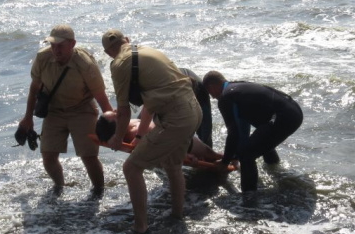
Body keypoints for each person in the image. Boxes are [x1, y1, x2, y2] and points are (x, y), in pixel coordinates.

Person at [102, 29, 202, 234]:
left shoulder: (119, 64)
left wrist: (117, 138)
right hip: (194, 109)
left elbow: (123, 111)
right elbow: (150, 105)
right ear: (127, 40)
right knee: (172, 165)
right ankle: (177, 216)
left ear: (108, 53)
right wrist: (138, 136)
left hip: (176, 118)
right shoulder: (148, 51)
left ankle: (140, 228)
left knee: (131, 168)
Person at [18, 25, 113, 195]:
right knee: (48, 155)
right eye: (53, 45)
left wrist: (113, 123)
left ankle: (99, 191)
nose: (56, 50)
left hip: (82, 110)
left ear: (72, 44)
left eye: (60, 45)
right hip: (54, 111)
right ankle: (59, 187)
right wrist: (27, 118)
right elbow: (34, 88)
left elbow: (100, 95)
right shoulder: (43, 57)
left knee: (88, 156)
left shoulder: (85, 63)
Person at [202, 70, 303, 202]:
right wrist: (233, 155)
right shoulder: (238, 88)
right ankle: (276, 170)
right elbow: (242, 128)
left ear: (212, 87)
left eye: (210, 94)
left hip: (284, 117)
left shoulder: (225, 98)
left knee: (247, 154)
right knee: (260, 140)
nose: (213, 97)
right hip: (294, 111)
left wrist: (225, 161)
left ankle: (249, 198)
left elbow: (233, 133)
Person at [95, 108, 222, 165]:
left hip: (172, 135)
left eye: (114, 111)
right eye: (116, 115)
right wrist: (183, 155)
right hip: (180, 142)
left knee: (211, 155)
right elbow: (161, 142)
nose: (117, 111)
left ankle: (228, 157)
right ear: (118, 127)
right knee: (213, 156)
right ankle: (234, 158)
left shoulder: (126, 125)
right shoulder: (134, 131)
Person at [179, 68, 213, 148]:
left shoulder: (201, 91)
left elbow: (206, 123)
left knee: (205, 128)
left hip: (199, 88)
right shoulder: (169, 91)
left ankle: (206, 152)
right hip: (180, 85)